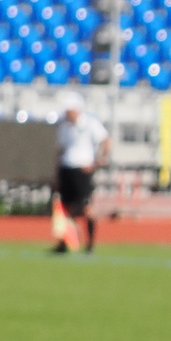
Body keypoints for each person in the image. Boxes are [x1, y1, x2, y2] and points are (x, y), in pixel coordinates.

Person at [52, 91, 109, 254]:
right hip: (66, 169)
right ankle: (65, 241)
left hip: (82, 170)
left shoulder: (90, 123)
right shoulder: (64, 126)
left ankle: (90, 243)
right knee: (64, 208)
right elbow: (60, 150)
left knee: (86, 207)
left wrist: (98, 161)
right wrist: (56, 173)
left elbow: (106, 141)